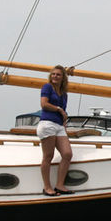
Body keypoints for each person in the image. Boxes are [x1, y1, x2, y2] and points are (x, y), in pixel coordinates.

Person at [37, 65, 74, 196]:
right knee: (48, 156)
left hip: (59, 126)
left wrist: (64, 123)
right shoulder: (47, 87)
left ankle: (59, 185)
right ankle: (47, 187)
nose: (55, 76)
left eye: (58, 74)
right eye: (53, 74)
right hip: (47, 124)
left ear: (63, 77)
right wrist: (58, 109)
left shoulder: (64, 94)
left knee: (67, 154)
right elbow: (44, 104)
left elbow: (64, 112)